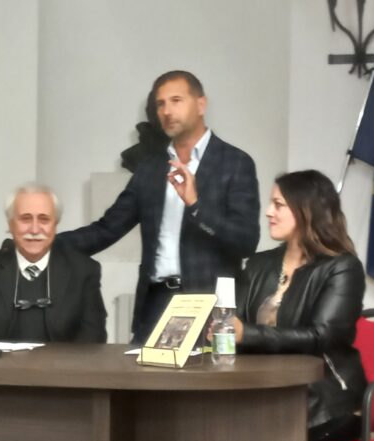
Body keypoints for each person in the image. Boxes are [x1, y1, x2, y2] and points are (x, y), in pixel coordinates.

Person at [58, 70, 260, 343]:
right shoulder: (150, 168)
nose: (166, 111)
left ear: (201, 104)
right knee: (137, 372)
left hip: (209, 308)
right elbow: (107, 229)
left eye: (176, 100)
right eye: (160, 104)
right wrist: (46, 245)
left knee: (205, 373)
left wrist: (196, 205)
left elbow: (246, 241)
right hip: (155, 303)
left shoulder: (235, 163)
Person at [232, 170, 367, 441]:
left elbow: (325, 336)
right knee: (216, 437)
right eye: (270, 203)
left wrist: (247, 333)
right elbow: (234, 327)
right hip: (265, 396)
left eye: (278, 204)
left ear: (306, 209)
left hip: (327, 403)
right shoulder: (258, 264)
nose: (268, 212)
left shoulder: (342, 266)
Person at [0, 185, 106, 344]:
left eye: (44, 219)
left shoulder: (83, 270)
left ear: (55, 225)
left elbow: (94, 336)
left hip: (62, 366)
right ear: (10, 224)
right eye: (25, 219)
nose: (34, 229)